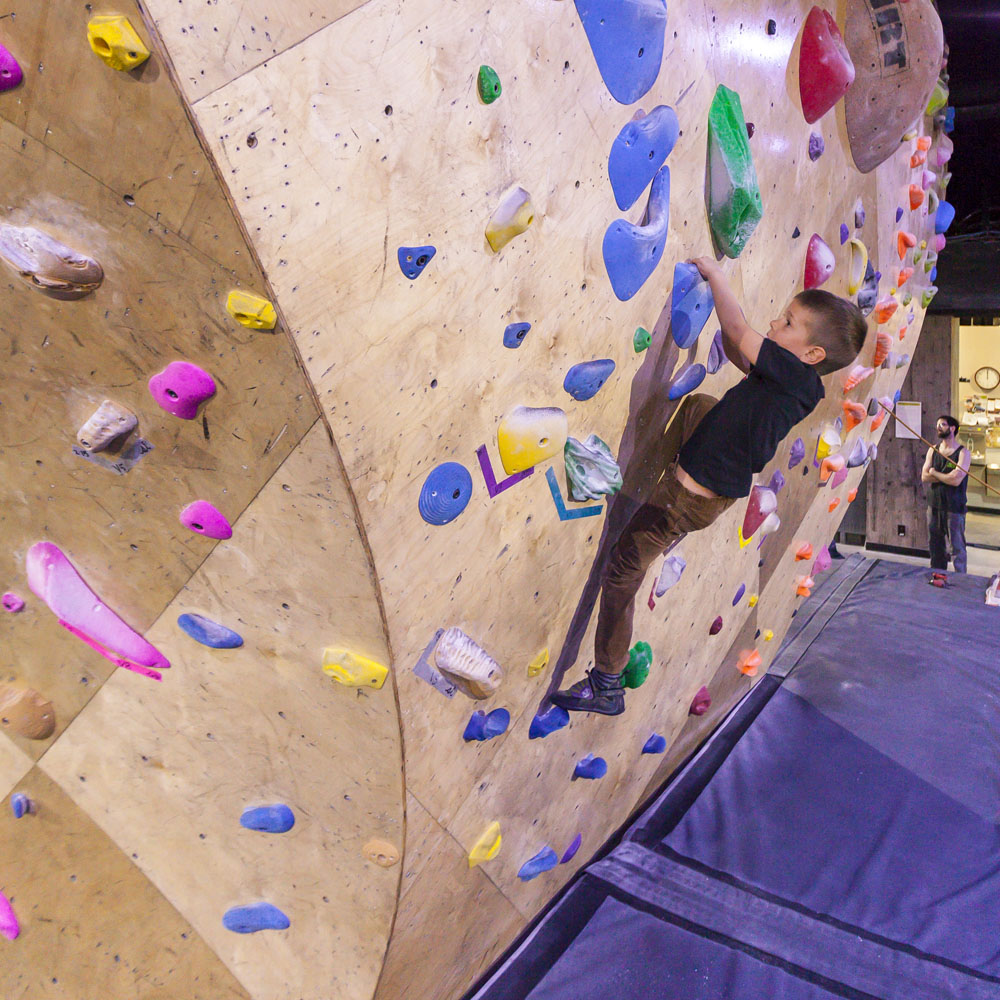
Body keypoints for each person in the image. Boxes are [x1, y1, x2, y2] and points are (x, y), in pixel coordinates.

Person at [550, 257, 868, 716]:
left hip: (684, 501)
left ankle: (607, 683)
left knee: (621, 573)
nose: (776, 323)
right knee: (701, 404)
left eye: (788, 323)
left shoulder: (794, 374)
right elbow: (741, 353)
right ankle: (655, 482)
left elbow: (738, 332)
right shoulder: (798, 382)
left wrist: (716, 277)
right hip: (713, 489)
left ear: (812, 354)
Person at [921, 415, 970, 574]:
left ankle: (961, 579)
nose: (939, 427)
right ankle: (937, 575)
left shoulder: (963, 453)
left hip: (954, 508)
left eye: (942, 424)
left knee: (957, 547)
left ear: (952, 428)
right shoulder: (932, 450)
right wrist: (946, 477)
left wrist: (935, 472)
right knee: (936, 546)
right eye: (938, 424)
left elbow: (956, 481)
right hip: (934, 506)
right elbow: (924, 476)